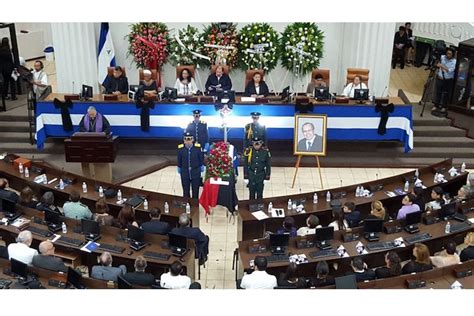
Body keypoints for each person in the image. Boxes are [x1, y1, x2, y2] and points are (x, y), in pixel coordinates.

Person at [177, 132, 204, 199]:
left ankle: (195, 205)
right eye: (186, 139)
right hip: (184, 172)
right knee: (186, 191)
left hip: (195, 171)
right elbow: (179, 159)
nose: (187, 141)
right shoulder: (181, 148)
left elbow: (201, 158)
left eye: (189, 139)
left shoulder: (197, 148)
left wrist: (202, 166)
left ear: (193, 139)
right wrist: (179, 167)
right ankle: (187, 204)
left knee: (195, 190)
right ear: (184, 140)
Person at [432, 47, 456, 115]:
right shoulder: (442, 57)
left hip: (448, 80)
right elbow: (437, 63)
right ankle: (436, 105)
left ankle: (444, 106)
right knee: (438, 92)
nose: (448, 55)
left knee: (445, 94)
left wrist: (441, 66)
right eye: (447, 53)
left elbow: (449, 70)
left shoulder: (454, 62)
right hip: (440, 78)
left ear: (452, 55)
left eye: (450, 54)